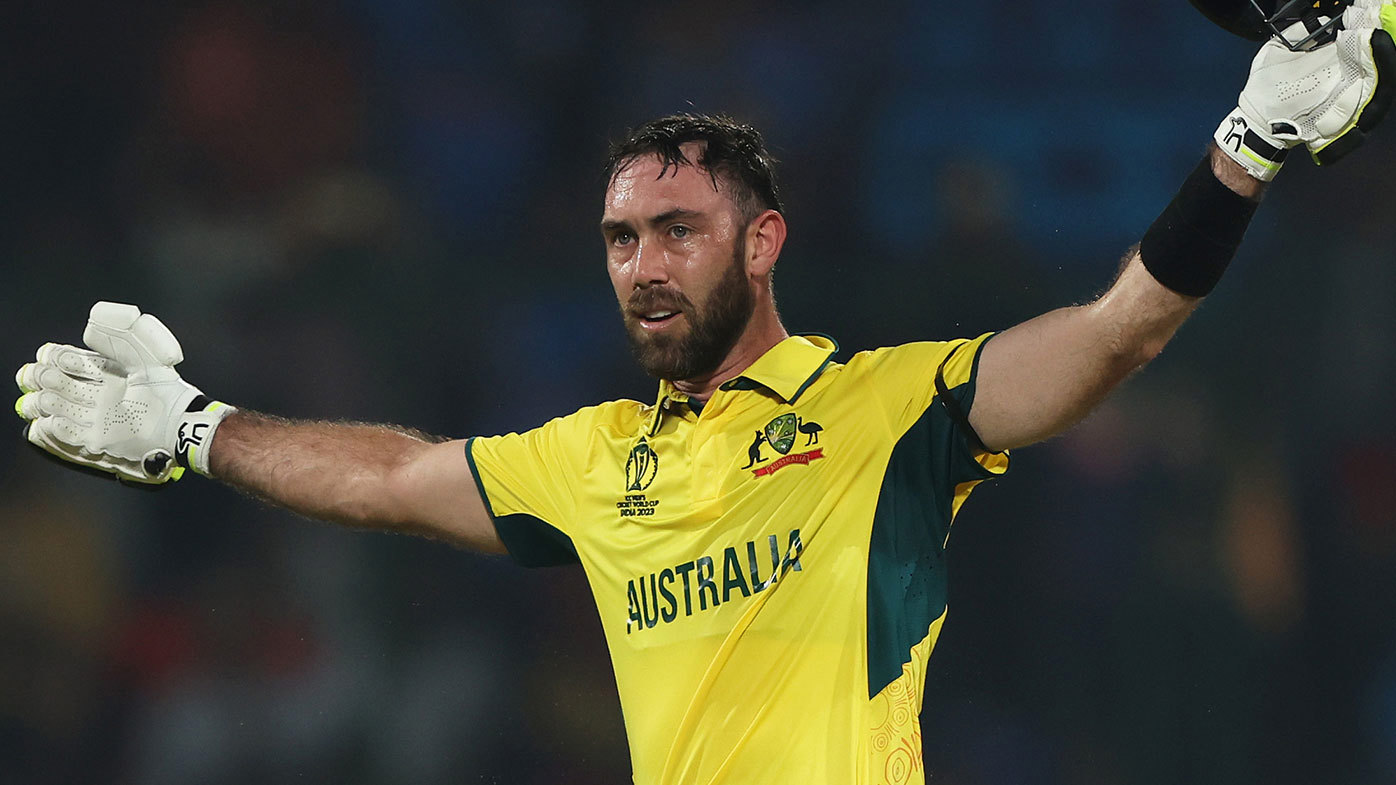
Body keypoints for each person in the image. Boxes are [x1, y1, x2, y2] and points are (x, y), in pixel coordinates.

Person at [13, 5, 1396, 783]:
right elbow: (388, 474)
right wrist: (193, 431)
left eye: (676, 231)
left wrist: (1244, 152)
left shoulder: (888, 408)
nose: (641, 268)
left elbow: (1113, 337)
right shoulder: (591, 456)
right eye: (621, 239)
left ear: (762, 242)